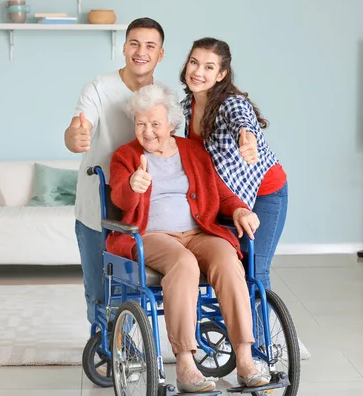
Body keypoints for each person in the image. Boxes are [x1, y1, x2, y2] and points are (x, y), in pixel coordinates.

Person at [107, 83, 271, 392]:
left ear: (171, 123)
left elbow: (219, 193)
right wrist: (133, 184)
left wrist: (238, 210)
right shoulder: (126, 156)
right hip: (152, 235)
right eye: (141, 123)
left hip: (198, 231)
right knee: (183, 264)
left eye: (155, 123)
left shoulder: (193, 151)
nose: (148, 131)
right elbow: (120, 197)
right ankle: (185, 364)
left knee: (227, 257)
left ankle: (245, 359)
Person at [63, 17, 166, 324]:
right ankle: (104, 348)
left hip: (143, 212)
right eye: (134, 43)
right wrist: (75, 137)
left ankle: (130, 349)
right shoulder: (98, 88)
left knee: (136, 290)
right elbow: (77, 128)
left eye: (150, 45)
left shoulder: (163, 98)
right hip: (99, 209)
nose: (141, 52)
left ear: (160, 54)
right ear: (123, 48)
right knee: (100, 292)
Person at [178, 37, 288, 293]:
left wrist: (247, 139)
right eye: (194, 62)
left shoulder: (231, 102)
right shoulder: (187, 106)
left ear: (221, 74)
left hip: (265, 192)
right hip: (227, 196)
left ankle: (258, 335)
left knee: (255, 270)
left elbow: (243, 120)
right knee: (228, 267)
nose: (197, 71)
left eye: (208, 67)